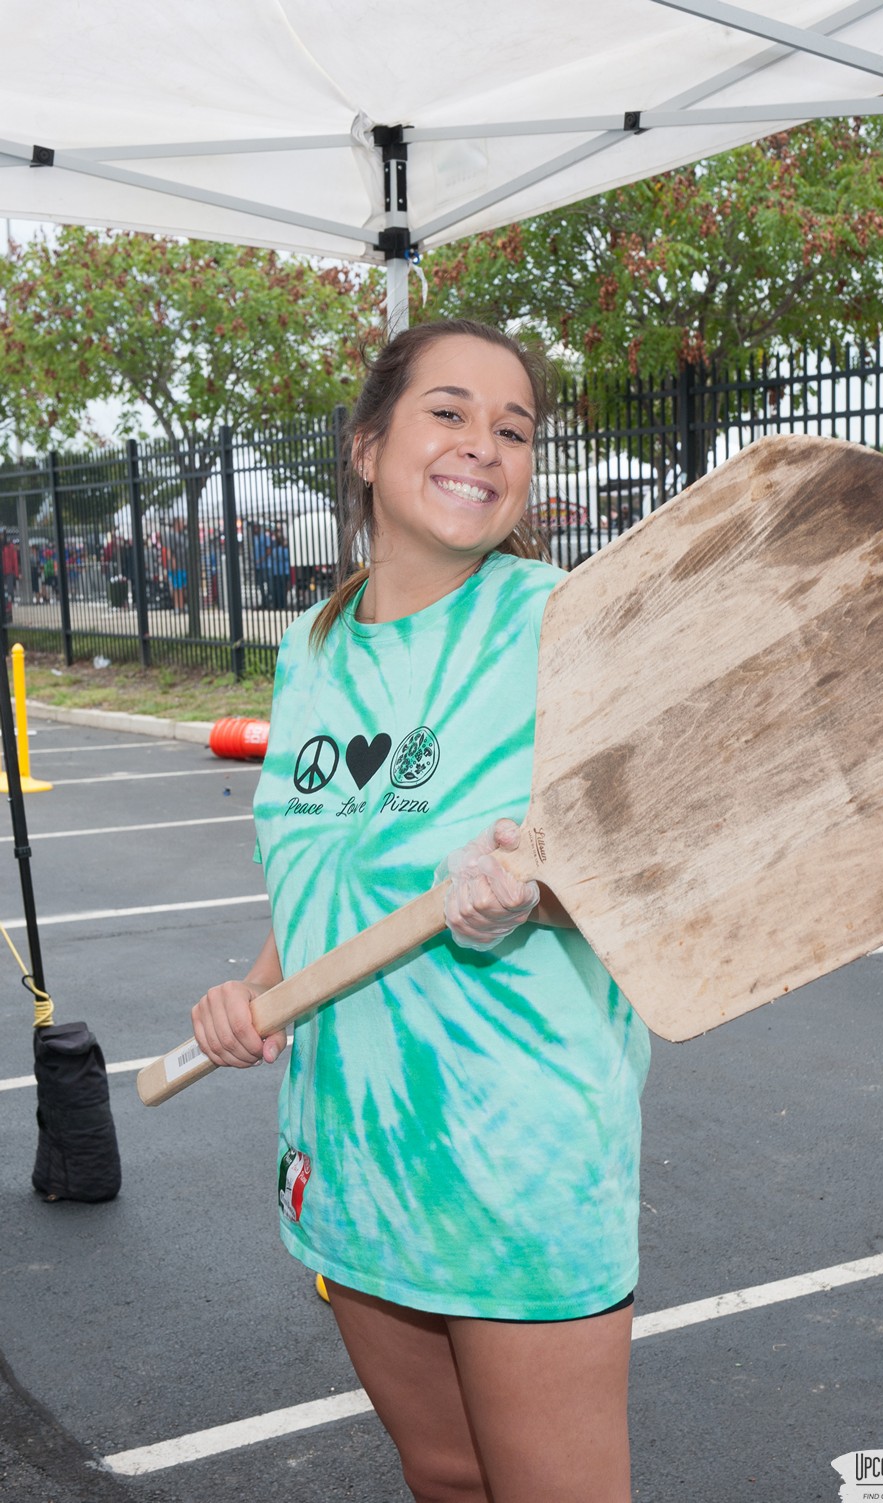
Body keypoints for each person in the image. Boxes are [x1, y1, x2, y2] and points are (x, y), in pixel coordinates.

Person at [191, 319, 650, 1503]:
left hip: (517, 1156)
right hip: (351, 1156)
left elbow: (660, 856)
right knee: (444, 1477)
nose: (482, 447)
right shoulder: (313, 642)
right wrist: (260, 990)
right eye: (448, 412)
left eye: (513, 429)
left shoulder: (571, 623)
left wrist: (533, 904)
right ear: (365, 446)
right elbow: (326, 857)